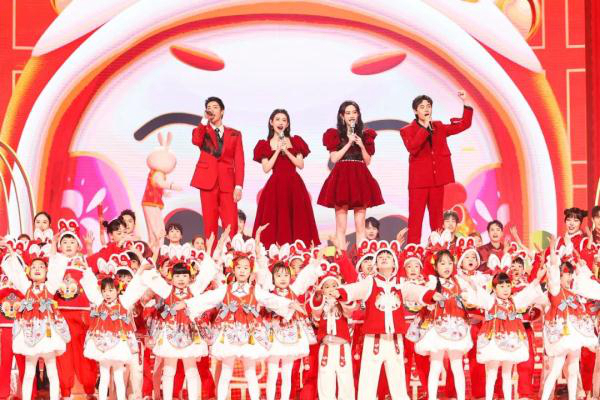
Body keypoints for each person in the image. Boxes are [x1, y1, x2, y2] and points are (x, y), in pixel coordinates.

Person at [400, 90, 473, 244]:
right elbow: (412, 147)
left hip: (437, 181)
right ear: (415, 111)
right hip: (418, 183)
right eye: (422, 107)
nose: (426, 109)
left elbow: (464, 124)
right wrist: (425, 128)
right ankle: (413, 250)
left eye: (428, 106)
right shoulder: (407, 130)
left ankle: (438, 249)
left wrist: (466, 102)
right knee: (415, 220)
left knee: (437, 220)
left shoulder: (439, 127)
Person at [318, 101, 384, 249]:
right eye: (348, 113)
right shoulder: (335, 135)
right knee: (341, 226)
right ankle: (342, 258)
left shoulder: (365, 135)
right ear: (342, 116)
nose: (351, 115)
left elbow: (367, 161)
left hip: (360, 178)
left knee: (360, 225)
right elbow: (334, 158)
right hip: (342, 179)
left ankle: (361, 257)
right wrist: (348, 143)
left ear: (358, 115)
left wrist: (361, 145)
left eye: (354, 112)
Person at [252, 109, 320, 248]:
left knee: (297, 218)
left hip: (294, 185)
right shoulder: (264, 144)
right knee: (276, 218)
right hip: (276, 185)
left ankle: (298, 250)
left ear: (288, 124)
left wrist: (286, 151)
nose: (281, 122)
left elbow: (300, 164)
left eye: (284, 120)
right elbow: (266, 168)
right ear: (271, 122)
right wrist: (277, 150)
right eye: (277, 119)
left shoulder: (295, 141)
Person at [190, 96, 244, 243]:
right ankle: (211, 254)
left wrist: (238, 186)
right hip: (207, 183)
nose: (211, 110)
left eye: (215, 107)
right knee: (210, 224)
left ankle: (232, 254)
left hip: (228, 184)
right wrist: (204, 120)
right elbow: (196, 140)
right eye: (209, 107)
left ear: (222, 111)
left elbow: (239, 161)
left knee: (231, 223)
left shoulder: (235, 134)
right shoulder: (202, 130)